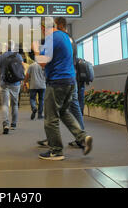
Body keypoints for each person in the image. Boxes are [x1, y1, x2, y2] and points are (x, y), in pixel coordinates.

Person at [32, 17, 93, 161]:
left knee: (51, 118)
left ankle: (56, 151)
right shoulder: (65, 36)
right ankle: (83, 138)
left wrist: (35, 50)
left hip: (57, 82)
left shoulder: (51, 38)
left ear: (42, 28)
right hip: (70, 81)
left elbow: (42, 63)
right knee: (64, 112)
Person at [0, 40, 25, 134]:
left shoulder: (1, 56)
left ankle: (5, 124)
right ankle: (14, 124)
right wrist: (22, 79)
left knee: (5, 104)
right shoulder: (18, 56)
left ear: (6, 47)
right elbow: (22, 68)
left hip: (4, 83)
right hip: (16, 83)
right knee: (15, 104)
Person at [24, 55, 46, 120]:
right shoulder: (44, 66)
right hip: (42, 85)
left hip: (33, 85)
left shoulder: (31, 66)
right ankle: (40, 115)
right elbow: (47, 75)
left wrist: (25, 82)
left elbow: (27, 76)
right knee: (41, 100)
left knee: (32, 99)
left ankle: (34, 108)